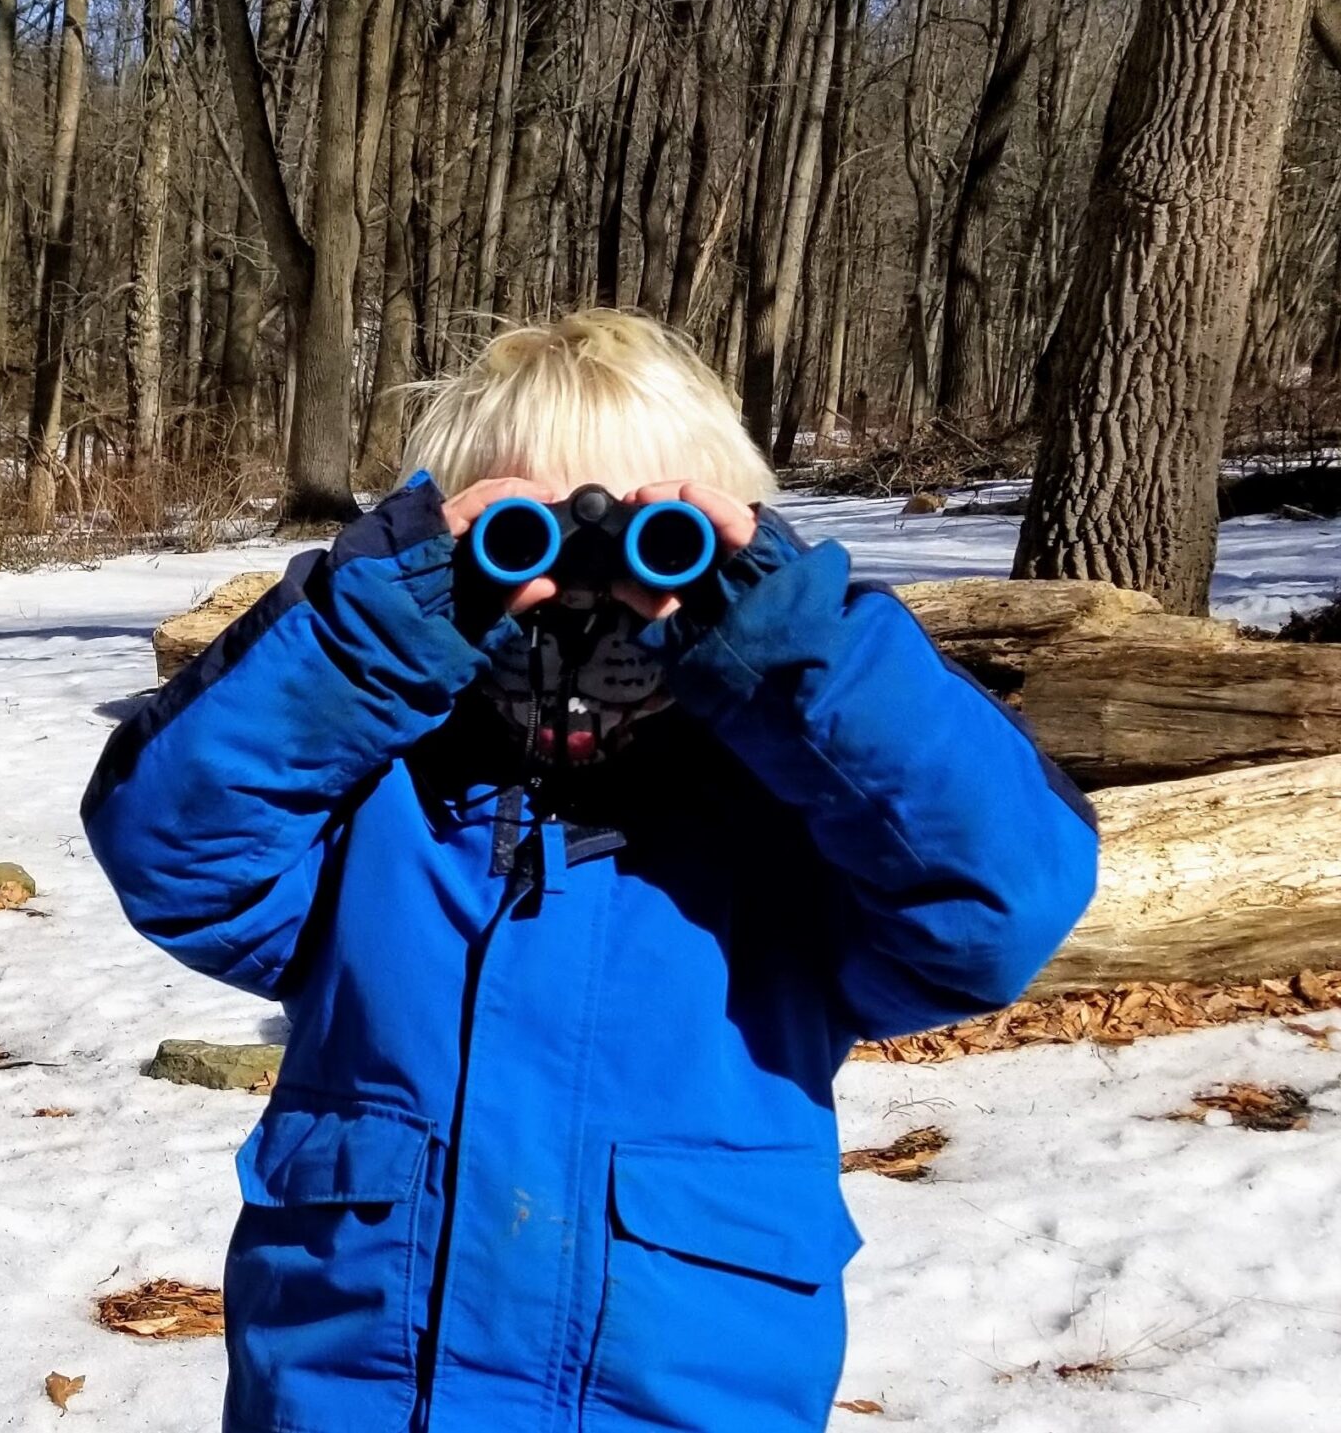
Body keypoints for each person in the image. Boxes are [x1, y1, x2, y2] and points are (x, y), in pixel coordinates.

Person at [82, 309, 1098, 1433]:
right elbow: (173, 848)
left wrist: (793, 648)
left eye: (658, 536)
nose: (582, 578)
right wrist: (372, 626)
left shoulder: (789, 819)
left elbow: (996, 903)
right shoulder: (379, 797)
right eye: (523, 529)